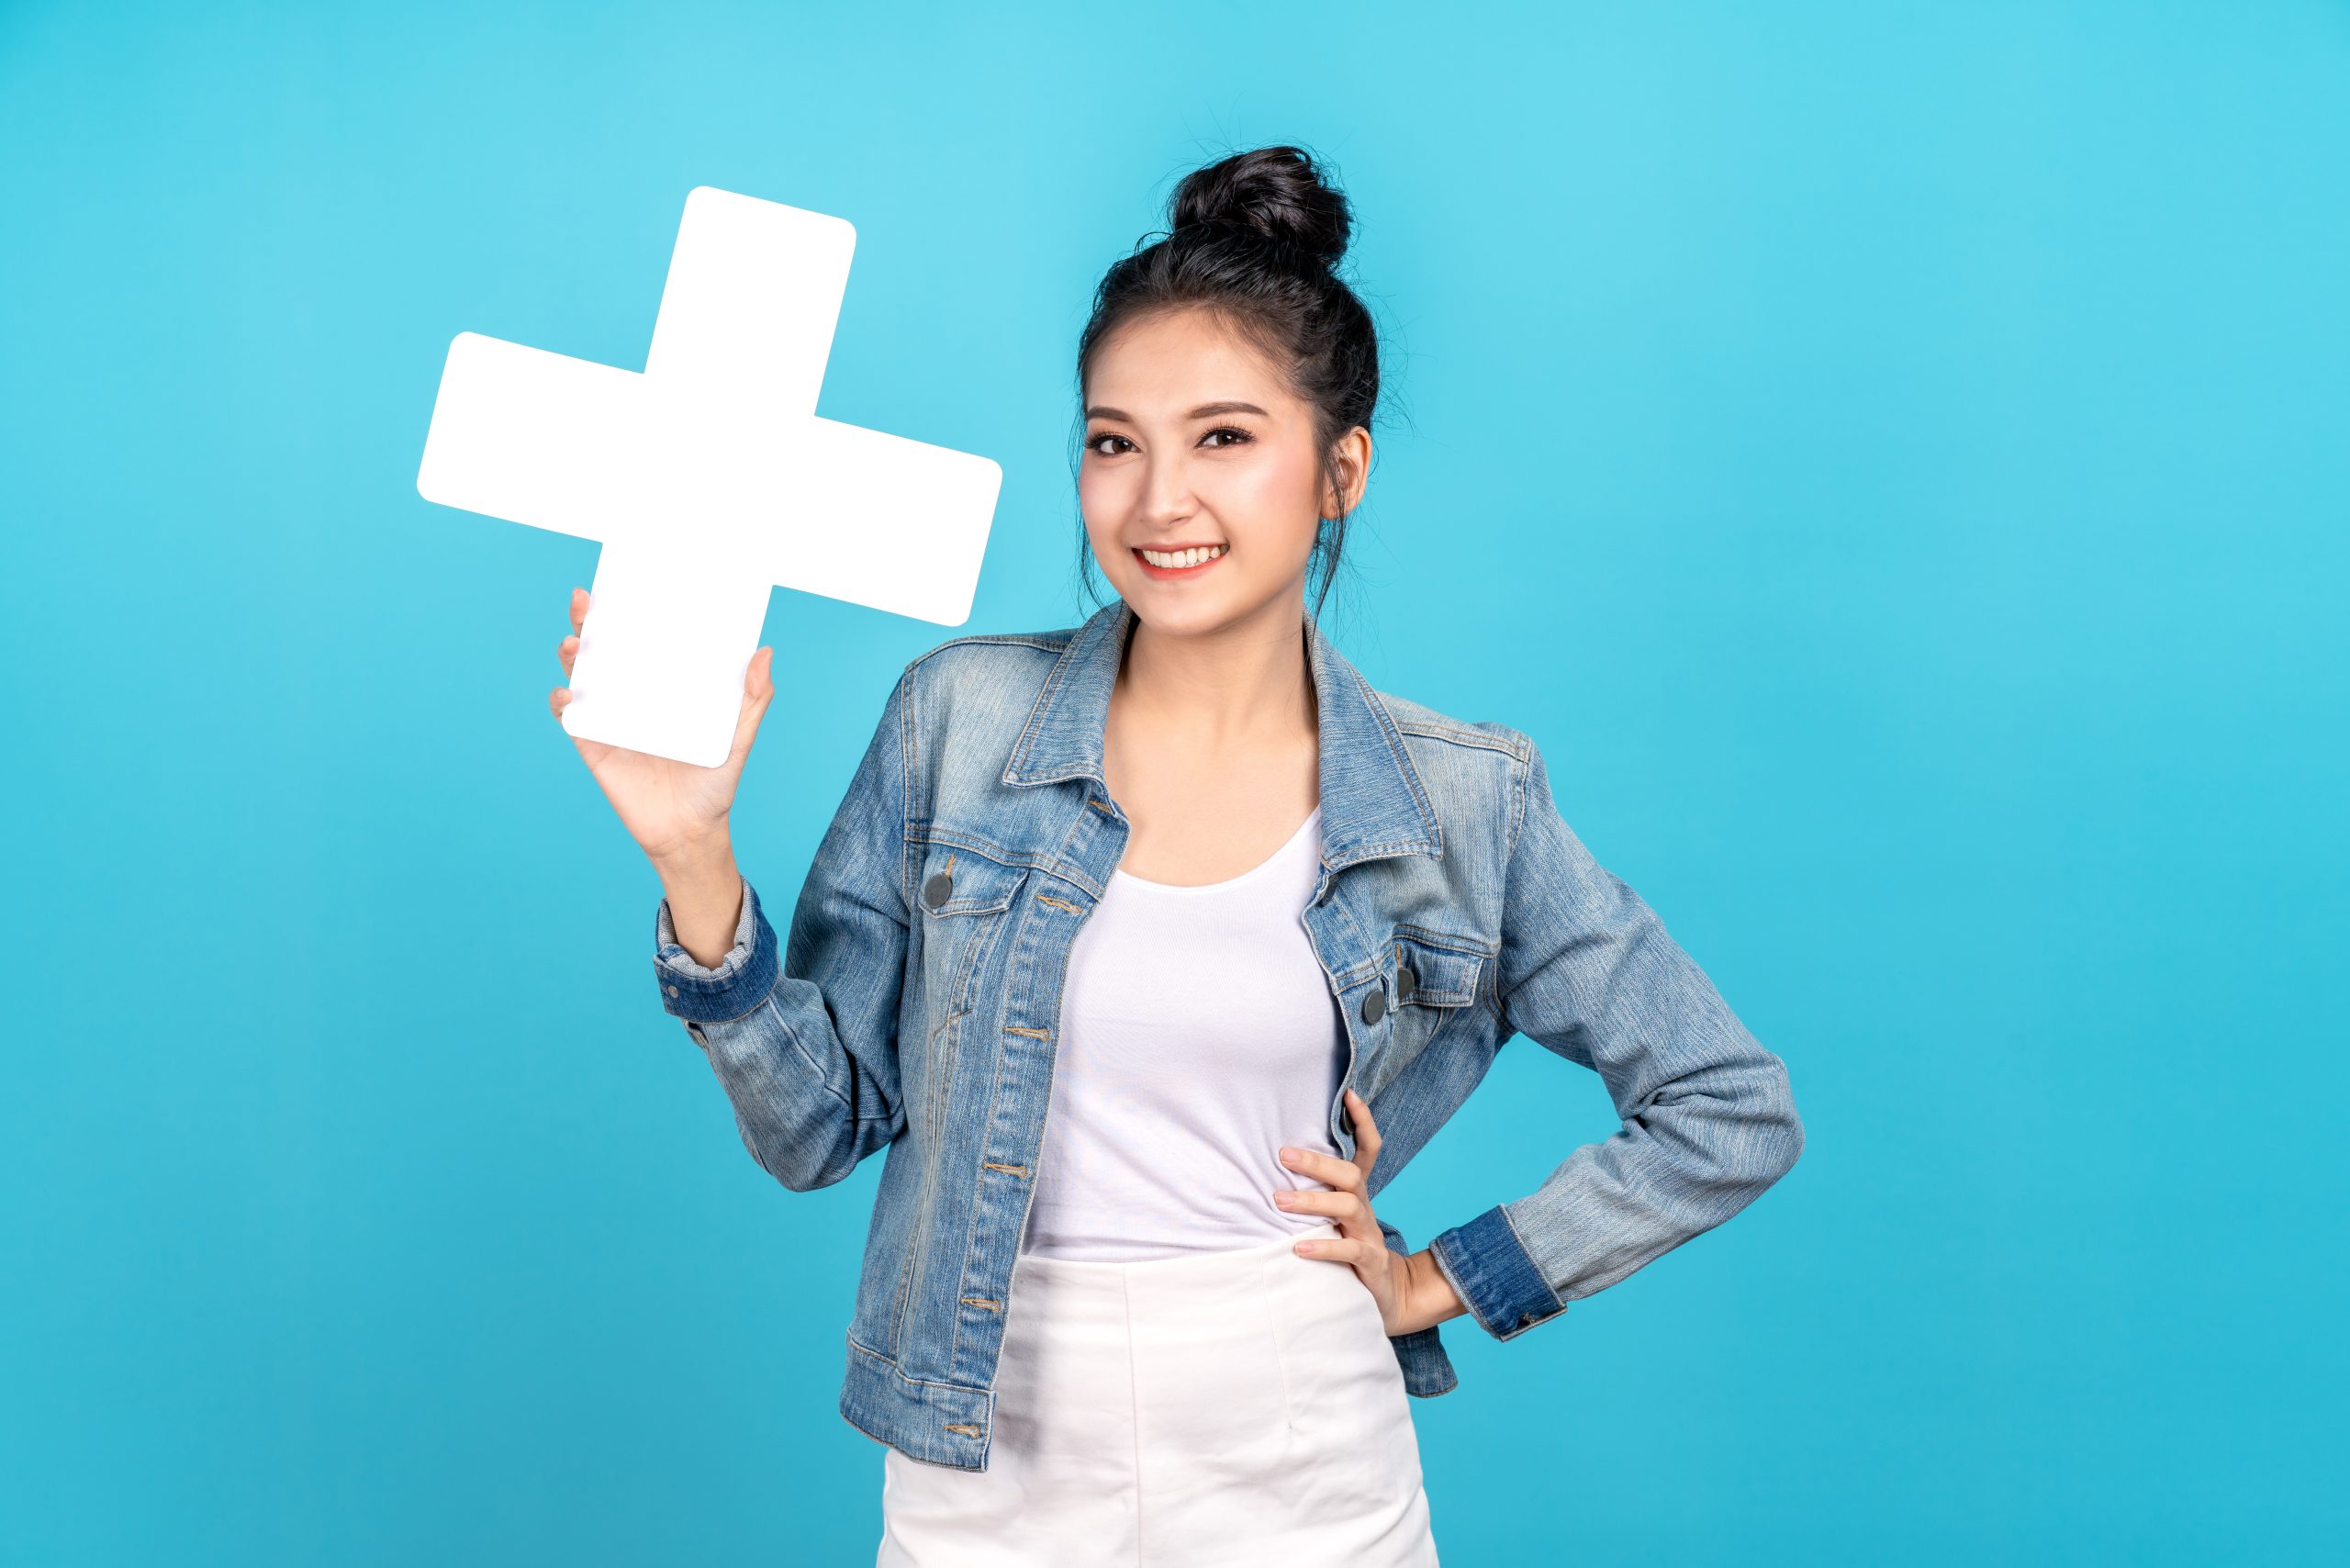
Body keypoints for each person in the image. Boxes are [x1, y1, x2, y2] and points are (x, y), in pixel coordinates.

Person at [549, 144, 1804, 1567]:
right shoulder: (957, 721)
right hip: (987, 1449)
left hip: (1301, 1451)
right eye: (1112, 440)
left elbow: (1729, 1108)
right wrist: (696, 860)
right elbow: (814, 1132)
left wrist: (1443, 1278)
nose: (1157, 502)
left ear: (1340, 471)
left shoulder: (1466, 801)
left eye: (1222, 438)